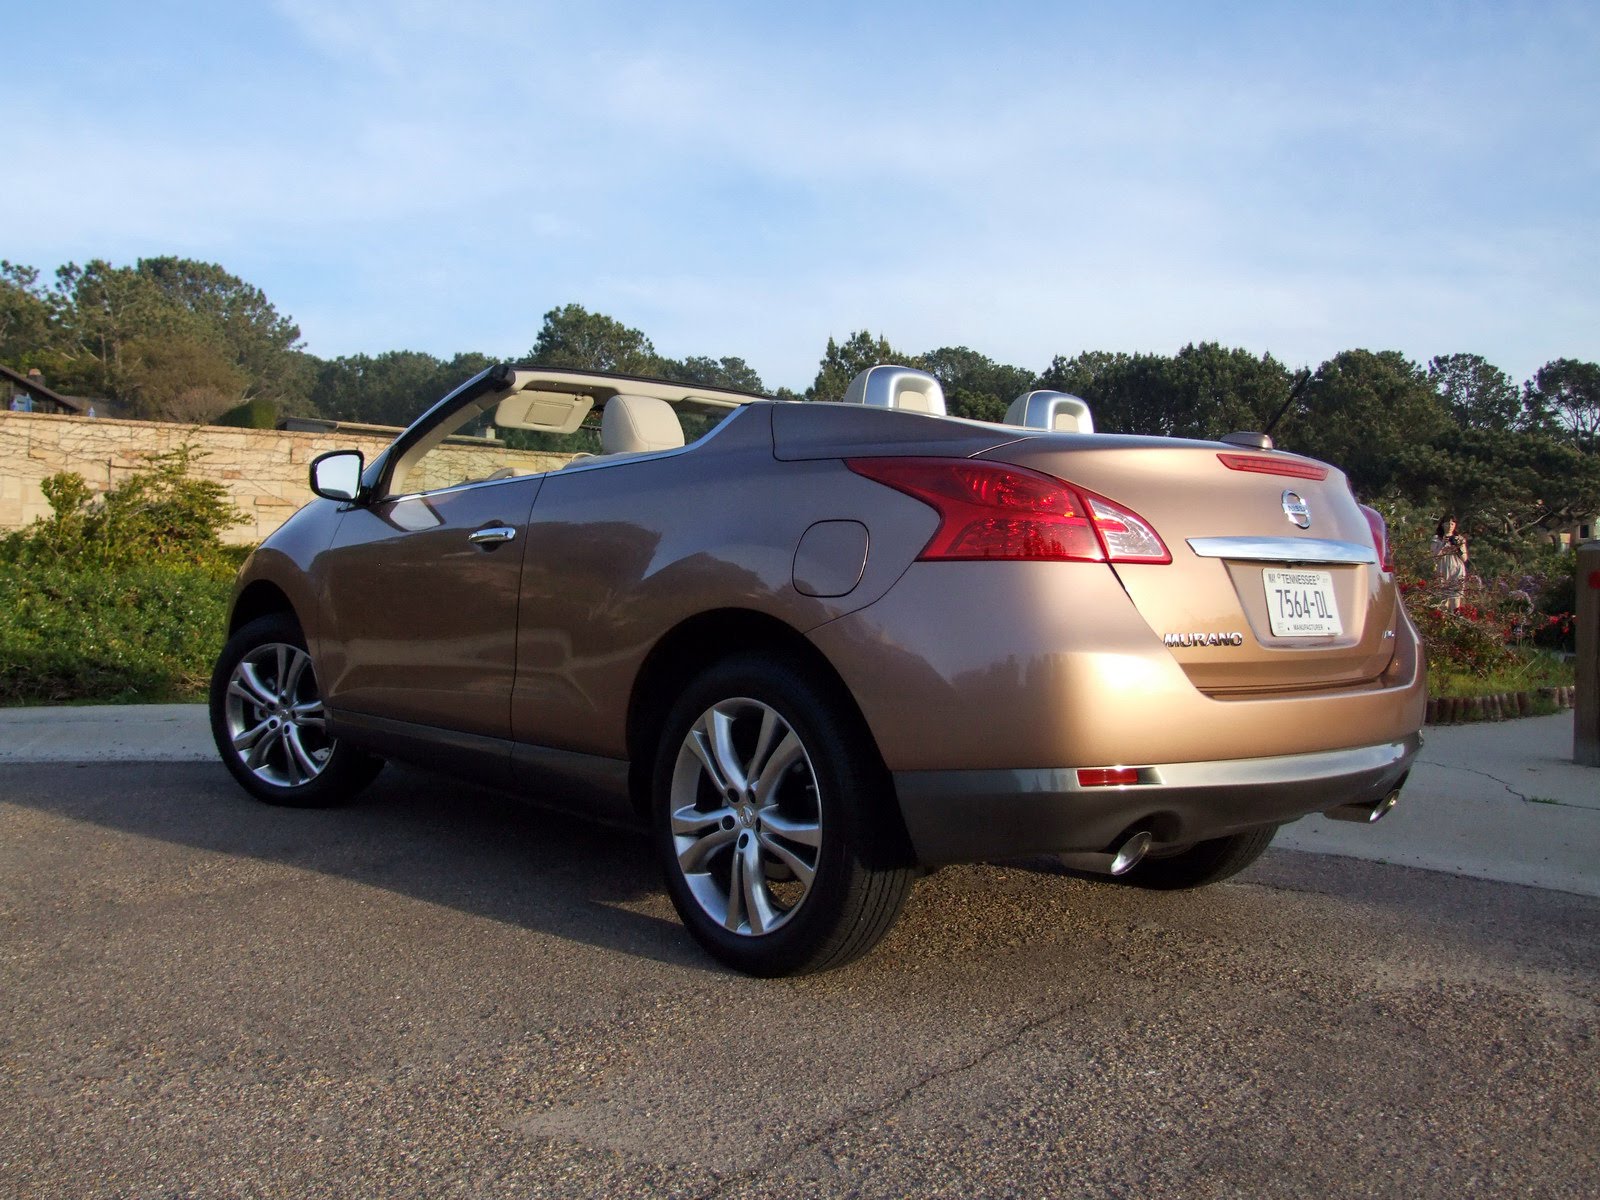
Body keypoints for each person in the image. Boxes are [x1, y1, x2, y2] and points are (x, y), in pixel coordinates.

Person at [1431, 516, 1469, 611]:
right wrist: (1443, 543)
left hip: (1457, 570)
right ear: (1442, 524)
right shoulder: (1436, 539)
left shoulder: (1459, 539)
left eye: (1452, 523)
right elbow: (1435, 556)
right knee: (1443, 602)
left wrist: (1457, 545)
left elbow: (1464, 558)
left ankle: (1455, 622)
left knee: (1455, 601)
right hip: (1442, 570)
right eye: (1447, 523)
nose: (1450, 526)